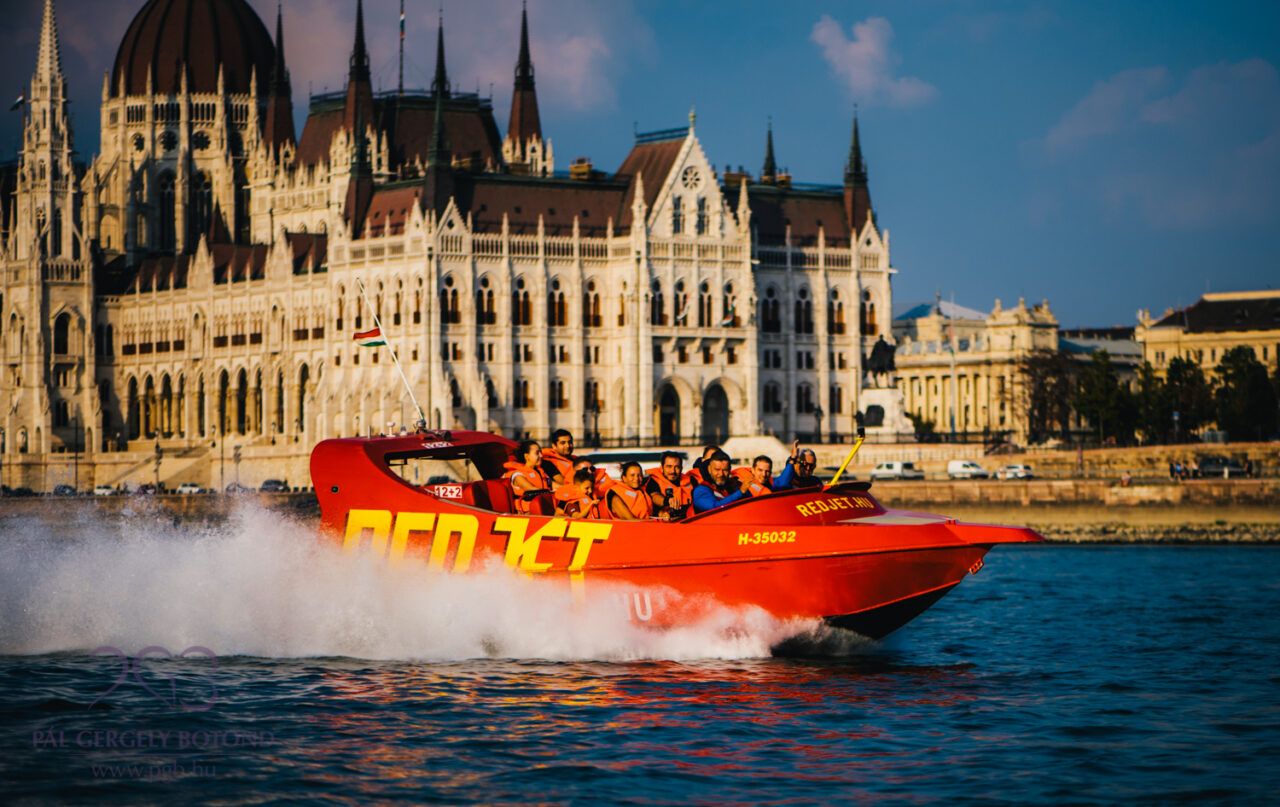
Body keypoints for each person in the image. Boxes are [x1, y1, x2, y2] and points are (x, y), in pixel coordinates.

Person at [503, 439, 551, 514]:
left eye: (541, 452)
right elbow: (531, 489)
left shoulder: (541, 473)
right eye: (537, 453)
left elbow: (554, 486)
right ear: (526, 456)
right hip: (526, 513)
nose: (541, 456)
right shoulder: (518, 475)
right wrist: (550, 493)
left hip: (543, 509)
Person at [646, 451, 692, 519]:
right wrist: (668, 501)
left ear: (681, 469)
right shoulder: (654, 481)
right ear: (662, 468)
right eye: (669, 467)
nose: (673, 471)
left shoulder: (691, 481)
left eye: (677, 467)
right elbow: (655, 496)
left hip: (689, 521)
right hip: (666, 522)